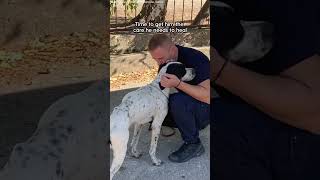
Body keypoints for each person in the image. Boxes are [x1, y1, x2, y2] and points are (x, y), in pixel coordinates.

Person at [211, 0, 320, 179]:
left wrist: (219, 70)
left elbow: (316, 114)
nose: (259, 29)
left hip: (307, 139)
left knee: (214, 123)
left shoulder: (286, 9)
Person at [148, 33, 210, 163]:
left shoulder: (196, 58)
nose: (159, 62)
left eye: (160, 58)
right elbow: (160, 88)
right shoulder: (166, 61)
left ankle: (194, 144)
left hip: (205, 109)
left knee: (178, 101)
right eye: (156, 60)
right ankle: (179, 121)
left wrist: (178, 84)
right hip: (189, 102)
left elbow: (207, 97)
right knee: (153, 104)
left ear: (172, 49)